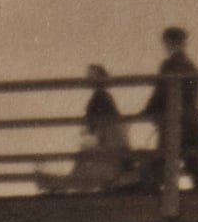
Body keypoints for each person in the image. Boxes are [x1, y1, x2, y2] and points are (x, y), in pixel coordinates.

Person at [35, 64, 135, 193]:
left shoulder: (99, 98)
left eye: (92, 76)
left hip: (104, 145)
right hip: (107, 144)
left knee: (85, 164)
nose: (89, 79)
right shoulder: (104, 98)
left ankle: (55, 184)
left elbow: (98, 126)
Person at [141, 26, 198, 192]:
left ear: (169, 43)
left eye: (166, 43)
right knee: (194, 164)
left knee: (164, 160)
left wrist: (148, 110)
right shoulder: (190, 65)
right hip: (190, 122)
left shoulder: (170, 64)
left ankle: (149, 196)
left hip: (176, 122)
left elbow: (161, 91)